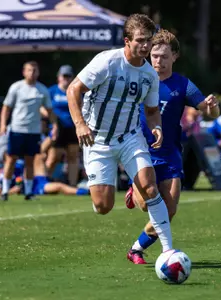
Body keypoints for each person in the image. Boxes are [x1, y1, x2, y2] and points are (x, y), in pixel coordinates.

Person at [66, 14, 174, 254]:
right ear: (127, 41)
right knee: (103, 206)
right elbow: (73, 89)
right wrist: (80, 124)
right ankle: (122, 192)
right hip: (97, 140)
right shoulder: (107, 62)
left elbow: (152, 110)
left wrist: (156, 126)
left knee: (150, 191)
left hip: (129, 137)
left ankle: (168, 251)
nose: (146, 46)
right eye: (140, 41)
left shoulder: (149, 74)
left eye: (148, 41)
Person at [123, 29, 219, 264]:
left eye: (164, 56)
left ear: (175, 56)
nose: (159, 61)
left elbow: (209, 113)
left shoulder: (183, 85)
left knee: (169, 209)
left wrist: (211, 106)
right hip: (140, 150)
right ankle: (133, 190)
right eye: (155, 56)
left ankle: (136, 249)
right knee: (146, 205)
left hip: (170, 153)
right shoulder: (138, 79)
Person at [0, 61, 58, 201]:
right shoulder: (16, 87)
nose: (32, 73)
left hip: (33, 131)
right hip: (17, 129)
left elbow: (49, 111)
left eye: (35, 70)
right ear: (24, 72)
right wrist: (2, 125)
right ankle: (5, 191)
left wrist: (54, 125)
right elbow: (6, 108)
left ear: (38, 72)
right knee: (11, 159)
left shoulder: (42, 90)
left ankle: (29, 192)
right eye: (29, 70)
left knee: (30, 161)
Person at [46, 65, 80, 185]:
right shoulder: (52, 91)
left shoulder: (75, 91)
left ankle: (73, 184)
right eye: (64, 76)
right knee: (54, 156)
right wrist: (50, 118)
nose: (66, 78)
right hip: (58, 128)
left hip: (72, 127)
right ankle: (44, 182)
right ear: (58, 77)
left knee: (73, 156)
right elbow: (43, 106)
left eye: (69, 76)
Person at [0, 155, 89, 196]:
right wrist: (13, 190)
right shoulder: (3, 175)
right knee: (59, 186)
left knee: (39, 156)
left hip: (37, 178)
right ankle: (84, 192)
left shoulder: (19, 164)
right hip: (36, 187)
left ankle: (52, 133)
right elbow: (0, 192)